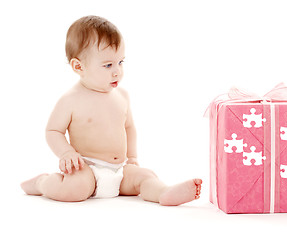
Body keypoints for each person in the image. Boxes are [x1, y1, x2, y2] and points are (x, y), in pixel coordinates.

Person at [21, 15, 202, 205]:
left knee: (145, 176)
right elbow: (53, 131)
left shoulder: (122, 96)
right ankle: (42, 183)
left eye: (120, 62)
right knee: (74, 190)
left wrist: (132, 157)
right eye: (108, 65)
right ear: (78, 66)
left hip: (120, 169)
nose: (117, 71)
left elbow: (129, 128)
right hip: (87, 167)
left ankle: (163, 193)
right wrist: (66, 153)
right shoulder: (71, 100)